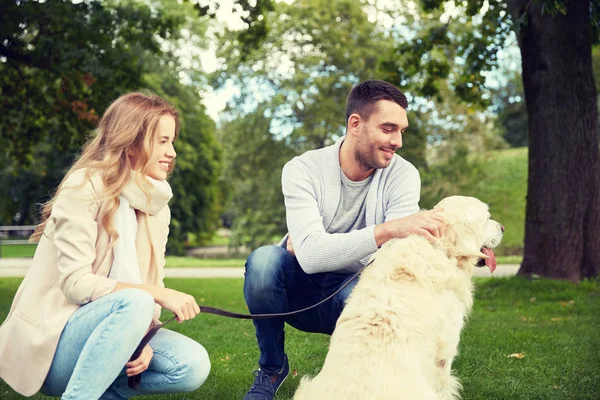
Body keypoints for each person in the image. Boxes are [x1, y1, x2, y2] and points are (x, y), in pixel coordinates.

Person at [242, 80, 446, 400]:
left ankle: (361, 382)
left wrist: (320, 247)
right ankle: (271, 368)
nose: (398, 141)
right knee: (265, 261)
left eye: (401, 131)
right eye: (388, 128)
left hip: (359, 294)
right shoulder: (303, 169)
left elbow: (395, 261)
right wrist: (386, 231)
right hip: (301, 295)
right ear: (355, 124)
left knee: (381, 291)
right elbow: (309, 259)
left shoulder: (404, 176)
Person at [0, 93, 210, 399]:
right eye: (162, 141)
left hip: (117, 327)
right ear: (134, 142)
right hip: (55, 344)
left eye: (172, 141)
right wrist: (157, 295)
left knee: (192, 365)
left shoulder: (156, 205)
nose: (172, 152)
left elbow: (151, 282)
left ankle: (97, 389)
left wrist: (144, 339)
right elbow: (76, 283)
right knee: (136, 299)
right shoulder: (85, 186)